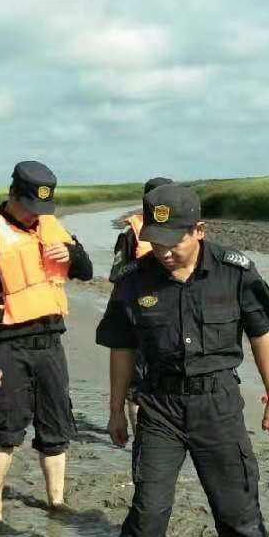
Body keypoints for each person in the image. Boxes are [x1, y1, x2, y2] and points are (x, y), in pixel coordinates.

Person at [96, 181, 269, 537]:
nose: (163, 252)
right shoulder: (133, 279)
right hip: (158, 406)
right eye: (155, 242)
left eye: (173, 242)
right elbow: (121, 349)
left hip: (218, 404)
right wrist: (116, 409)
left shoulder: (235, 272)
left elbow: (261, 335)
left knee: (236, 502)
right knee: (149, 506)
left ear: (199, 230)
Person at [0, 161, 93, 523]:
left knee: (56, 429)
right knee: (5, 430)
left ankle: (56, 501)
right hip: (8, 344)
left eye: (40, 208)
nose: (34, 214)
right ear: (12, 194)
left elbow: (86, 272)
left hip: (50, 343)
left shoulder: (53, 229)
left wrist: (73, 254)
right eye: (28, 206)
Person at [109, 176, 173, 436]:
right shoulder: (130, 236)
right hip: (143, 318)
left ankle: (152, 435)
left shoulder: (182, 233)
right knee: (137, 383)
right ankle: (142, 439)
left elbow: (116, 276)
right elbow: (118, 275)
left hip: (160, 318)